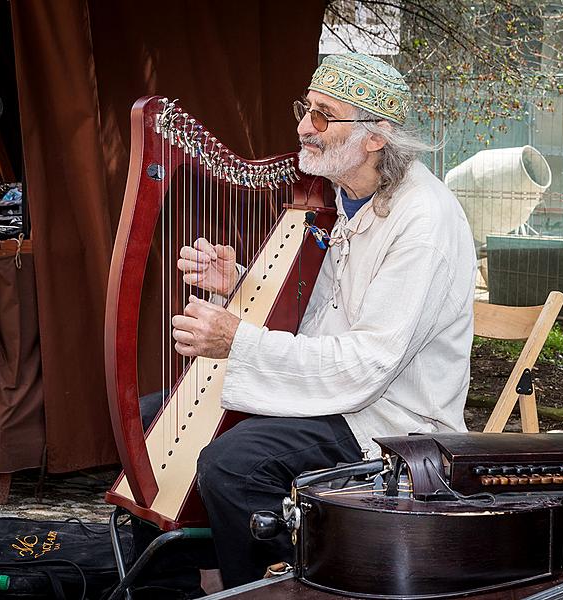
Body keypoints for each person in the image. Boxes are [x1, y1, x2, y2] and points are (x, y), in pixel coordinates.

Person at [170, 52, 477, 590]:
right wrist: (239, 280)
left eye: (322, 115)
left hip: (389, 423)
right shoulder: (352, 194)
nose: (303, 127)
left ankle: (285, 586)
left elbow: (367, 363)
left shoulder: (423, 223)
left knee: (233, 463)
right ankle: (171, 581)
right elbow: (324, 315)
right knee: (158, 418)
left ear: (375, 136)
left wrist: (237, 341)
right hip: (336, 396)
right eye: (304, 109)